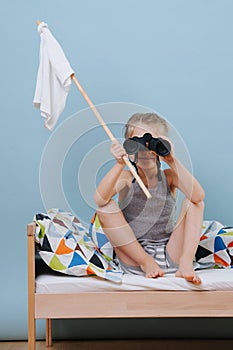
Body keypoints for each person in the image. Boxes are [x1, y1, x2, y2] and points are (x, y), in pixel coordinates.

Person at [94, 113, 205, 284]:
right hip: (135, 258)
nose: (145, 151)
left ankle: (185, 263)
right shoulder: (126, 179)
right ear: (129, 149)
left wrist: (171, 159)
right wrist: (119, 163)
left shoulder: (169, 177)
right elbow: (100, 199)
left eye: (153, 143)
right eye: (137, 144)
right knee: (105, 208)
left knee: (194, 203)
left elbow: (198, 196)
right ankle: (147, 263)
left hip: (170, 253)